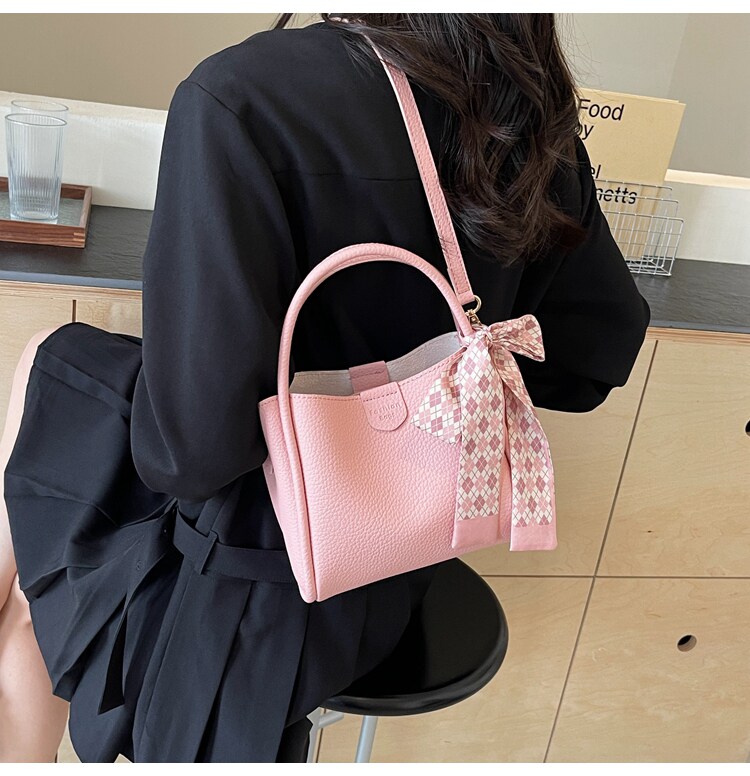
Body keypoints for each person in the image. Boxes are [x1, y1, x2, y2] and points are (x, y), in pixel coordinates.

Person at [0, 13, 650, 763]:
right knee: (51, 367)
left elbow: (190, 455)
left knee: (36, 583)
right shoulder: (525, 109)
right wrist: (426, 386)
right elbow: (592, 357)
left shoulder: (242, 97)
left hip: (248, 592)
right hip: (401, 555)